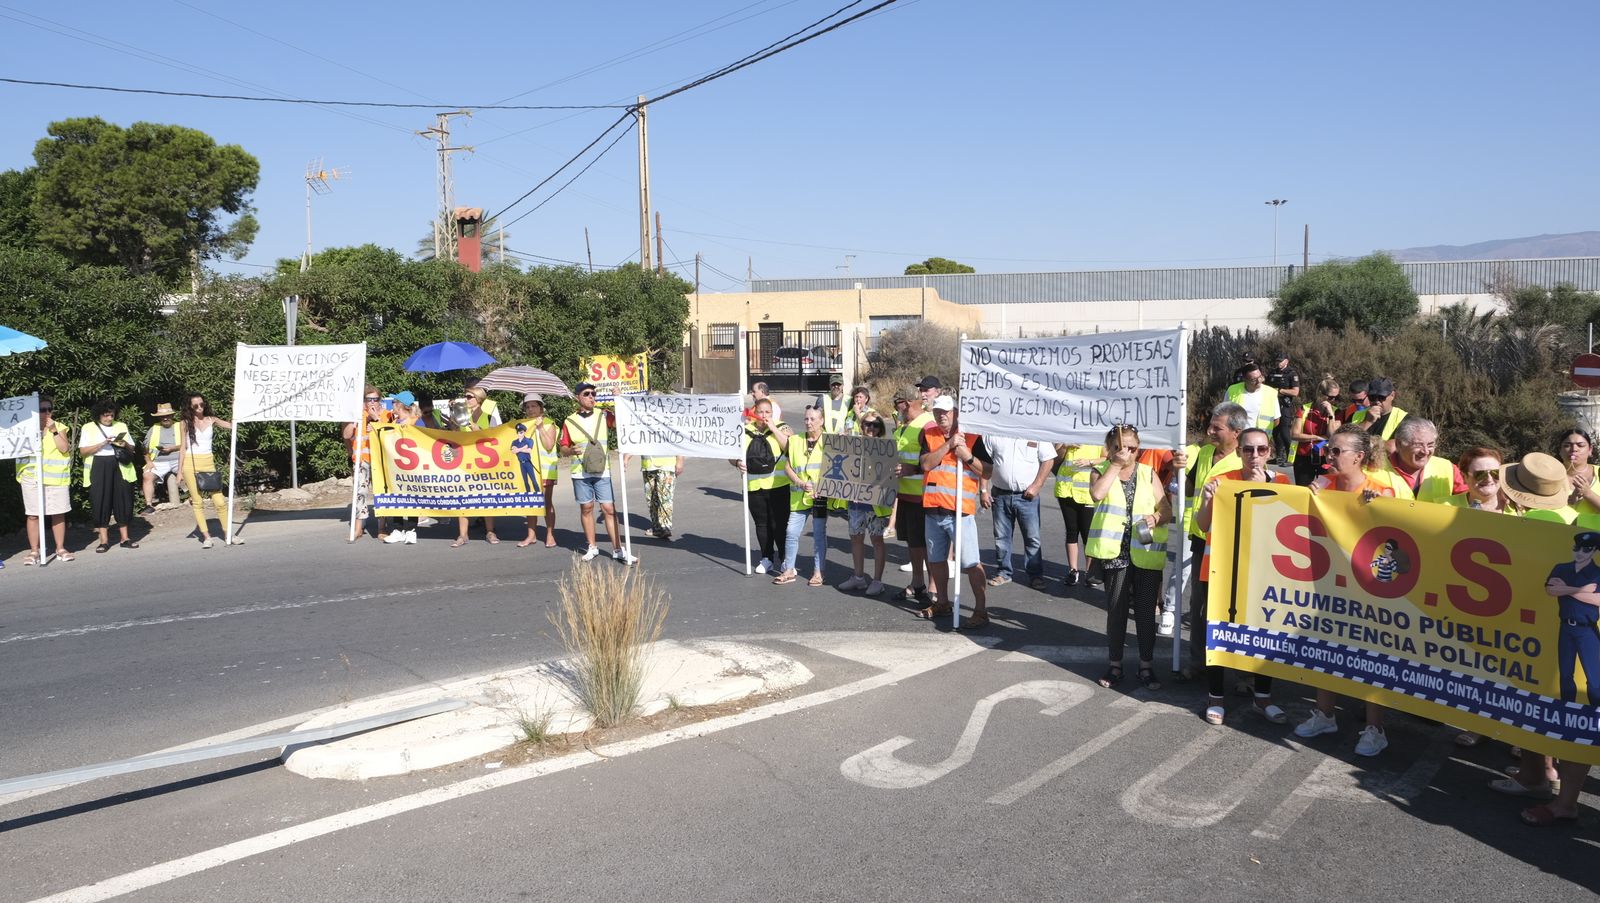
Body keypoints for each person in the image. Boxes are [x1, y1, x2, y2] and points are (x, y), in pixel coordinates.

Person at [1294, 426, 1399, 755]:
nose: (1330, 456)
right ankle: (1325, 715)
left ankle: (1375, 729)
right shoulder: (1323, 485)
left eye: (1338, 451)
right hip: (1329, 584)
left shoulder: (1382, 491)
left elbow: (1398, 540)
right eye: (1330, 450)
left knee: (1371, 657)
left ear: (1359, 457)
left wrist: (1380, 509)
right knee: (1325, 649)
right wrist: (1308, 496)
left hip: (1369, 590)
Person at [1195, 427, 1290, 724]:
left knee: (1266, 635)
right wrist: (1210, 500)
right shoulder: (1221, 481)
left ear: (1270, 452)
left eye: (1261, 449)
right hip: (1222, 570)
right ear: (1239, 452)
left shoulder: (1284, 482)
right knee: (1219, 633)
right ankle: (1216, 698)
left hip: (1264, 572)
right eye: (1248, 449)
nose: (1255, 456)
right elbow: (1203, 524)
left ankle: (1263, 698)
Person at [1089, 425, 1170, 691]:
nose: (1128, 453)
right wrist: (1115, 465)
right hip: (1115, 553)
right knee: (1117, 611)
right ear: (1110, 449)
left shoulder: (1148, 473)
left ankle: (1146, 665)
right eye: (1121, 448)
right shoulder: (1100, 471)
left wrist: (1156, 517)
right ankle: (1115, 665)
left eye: (1133, 448)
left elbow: (1166, 509)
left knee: (1146, 612)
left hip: (1144, 552)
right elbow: (1097, 494)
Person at [919, 394, 991, 628]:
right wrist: (948, 445)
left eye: (946, 412)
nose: (942, 415)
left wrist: (967, 455)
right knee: (936, 560)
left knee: (971, 562)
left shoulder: (972, 437)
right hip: (933, 510)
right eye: (938, 411)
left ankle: (980, 610)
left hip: (959, 512)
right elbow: (926, 464)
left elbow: (988, 471)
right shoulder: (930, 435)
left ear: (956, 413)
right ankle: (942, 602)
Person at [560, 382, 631, 562]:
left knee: (609, 509)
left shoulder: (603, 414)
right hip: (580, 471)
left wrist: (618, 398)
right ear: (578, 397)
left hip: (602, 470)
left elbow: (621, 422)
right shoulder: (569, 420)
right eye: (587, 394)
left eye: (593, 393)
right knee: (587, 508)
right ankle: (592, 547)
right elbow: (563, 448)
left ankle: (617, 549)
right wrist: (570, 451)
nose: (592, 397)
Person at [980, 433, 1055, 589]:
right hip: (1000, 495)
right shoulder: (994, 432)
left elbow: (1048, 459)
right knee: (1001, 538)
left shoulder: (1036, 430)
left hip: (1027, 497)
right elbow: (985, 462)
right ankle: (1003, 573)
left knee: (1032, 538)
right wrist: (983, 490)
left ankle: (1035, 575)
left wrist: (1037, 485)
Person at [776, 406, 839, 586]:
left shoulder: (830, 441)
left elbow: (838, 468)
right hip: (799, 495)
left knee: (819, 534)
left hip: (820, 496)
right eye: (806, 419)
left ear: (822, 421)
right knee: (791, 533)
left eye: (812, 419)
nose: (808, 422)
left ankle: (819, 573)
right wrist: (800, 482)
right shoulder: (795, 440)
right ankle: (788, 570)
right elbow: (787, 467)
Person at [733, 397, 792, 574]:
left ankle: (784, 560)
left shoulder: (782, 427)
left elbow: (790, 447)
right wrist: (737, 462)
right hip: (754, 486)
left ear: (772, 413)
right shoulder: (744, 430)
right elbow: (732, 453)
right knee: (762, 524)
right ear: (754, 412)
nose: (764, 415)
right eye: (761, 412)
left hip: (778, 485)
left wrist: (772, 427)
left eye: (768, 412)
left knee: (779, 525)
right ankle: (766, 557)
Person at [839, 413, 892, 596]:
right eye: (867, 424)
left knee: (876, 540)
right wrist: (841, 444)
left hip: (875, 504)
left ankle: (877, 581)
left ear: (881, 428)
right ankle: (858, 577)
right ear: (861, 425)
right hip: (855, 501)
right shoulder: (853, 443)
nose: (871, 428)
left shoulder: (885, 447)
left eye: (876, 425)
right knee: (856, 538)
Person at [17, 397, 73, 564]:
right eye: (42, 410)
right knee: (33, 515)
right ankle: (35, 551)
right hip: (31, 477)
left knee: (58, 513)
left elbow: (64, 448)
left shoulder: (59, 426)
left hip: (55, 478)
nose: (46, 412)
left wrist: (54, 430)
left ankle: (60, 548)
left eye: (49, 409)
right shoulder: (26, 428)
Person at [894, 385, 937, 602]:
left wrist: (914, 469)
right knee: (913, 542)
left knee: (926, 543)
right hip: (905, 495)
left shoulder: (927, 425)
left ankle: (933, 587)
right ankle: (918, 582)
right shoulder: (904, 425)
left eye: (898, 403)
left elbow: (934, 460)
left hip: (922, 496)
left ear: (908, 403)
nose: (896, 407)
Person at [79, 400, 139, 553]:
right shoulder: (88, 427)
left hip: (120, 464)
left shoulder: (121, 426)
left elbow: (132, 448)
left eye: (111, 415)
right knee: (100, 501)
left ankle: (125, 538)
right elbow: (83, 451)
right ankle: (103, 541)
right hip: (98, 464)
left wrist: (123, 442)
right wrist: (102, 443)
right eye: (106, 416)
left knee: (123, 500)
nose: (109, 419)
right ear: (99, 415)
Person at [344, 386, 393, 541]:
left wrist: (376, 420)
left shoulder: (387, 415)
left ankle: (382, 527)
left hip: (381, 461)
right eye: (368, 399)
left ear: (380, 400)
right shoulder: (358, 416)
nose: (372, 403)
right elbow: (346, 435)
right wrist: (353, 420)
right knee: (360, 493)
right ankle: (358, 528)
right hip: (362, 459)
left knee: (382, 493)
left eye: (375, 399)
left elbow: (390, 435)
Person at [1381, 417, 1465, 502]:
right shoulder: (1375, 471)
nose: (1425, 451)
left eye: (1430, 445)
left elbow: (1469, 502)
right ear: (1399, 444)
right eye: (1418, 445)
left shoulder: (1448, 469)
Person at [1052, 441, 1101, 588]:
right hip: (1066, 490)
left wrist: (1090, 462)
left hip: (1087, 493)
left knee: (1087, 534)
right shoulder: (1067, 433)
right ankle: (1073, 570)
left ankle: (1089, 573)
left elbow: (1108, 458)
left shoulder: (1098, 435)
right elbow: (1056, 459)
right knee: (1071, 531)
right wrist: (1065, 446)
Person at [515, 394, 559, 548]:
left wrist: (540, 428)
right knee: (531, 502)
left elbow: (548, 445)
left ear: (541, 407)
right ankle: (531, 535)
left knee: (546, 503)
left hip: (546, 471)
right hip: (528, 469)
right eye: (527, 407)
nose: (530, 409)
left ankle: (550, 535)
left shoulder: (549, 423)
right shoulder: (522, 426)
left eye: (534, 406)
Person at [1289, 377, 1341, 487]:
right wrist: (1318, 437)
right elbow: (1294, 434)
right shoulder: (1304, 409)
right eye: (1331, 397)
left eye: (1336, 398)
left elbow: (1332, 436)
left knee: (1326, 489)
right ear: (1321, 394)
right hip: (1304, 456)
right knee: (1303, 490)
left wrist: (1331, 415)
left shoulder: (1337, 412)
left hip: (1326, 457)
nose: (1333, 401)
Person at [385, 392, 422, 545]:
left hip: (413, 466)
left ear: (399, 404)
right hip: (395, 466)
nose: (391, 405)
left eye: (393, 401)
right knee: (396, 497)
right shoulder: (394, 421)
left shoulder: (416, 422)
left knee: (412, 496)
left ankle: (412, 530)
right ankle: (397, 529)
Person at [140, 402, 182, 514]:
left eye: (168, 416)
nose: (165, 418)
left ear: (172, 416)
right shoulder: (154, 429)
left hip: (178, 459)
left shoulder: (180, 426)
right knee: (147, 475)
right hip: (159, 461)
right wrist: (148, 461)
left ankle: (194, 498)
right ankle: (149, 505)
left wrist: (173, 448)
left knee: (190, 472)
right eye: (163, 416)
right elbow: (145, 447)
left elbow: (189, 444)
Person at [1555, 428, 1600, 523]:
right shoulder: (1549, 474)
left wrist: (1588, 493)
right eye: (1567, 445)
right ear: (1560, 450)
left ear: (1590, 450)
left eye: (1580, 445)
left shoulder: (1599, 473)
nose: (1574, 449)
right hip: (1557, 533)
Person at [1265, 353, 1301, 466]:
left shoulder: (1292, 373)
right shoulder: (1272, 372)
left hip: (1285, 405)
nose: (1278, 363)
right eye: (1277, 361)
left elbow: (1295, 392)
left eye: (1281, 361)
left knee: (1285, 431)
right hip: (1272, 404)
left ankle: (1290, 458)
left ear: (1286, 361)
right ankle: (1279, 457)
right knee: (1275, 431)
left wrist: (1279, 391)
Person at [1225, 361, 1279, 434]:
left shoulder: (1271, 393)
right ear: (1245, 379)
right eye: (1254, 380)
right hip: (1238, 437)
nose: (1259, 381)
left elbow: (1276, 420)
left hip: (1260, 439)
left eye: (1260, 377)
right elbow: (1224, 414)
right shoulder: (1232, 390)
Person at [641, 452, 683, 542]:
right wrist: (626, 457)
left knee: (665, 497)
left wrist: (680, 460)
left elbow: (678, 439)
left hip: (666, 465)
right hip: (648, 465)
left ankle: (665, 527)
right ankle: (657, 527)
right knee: (651, 498)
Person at [1352, 377, 1407, 441]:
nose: (1376, 401)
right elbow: (1346, 440)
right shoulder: (1355, 416)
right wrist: (1367, 422)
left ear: (1392, 395)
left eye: (1381, 397)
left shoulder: (1404, 419)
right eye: (1372, 397)